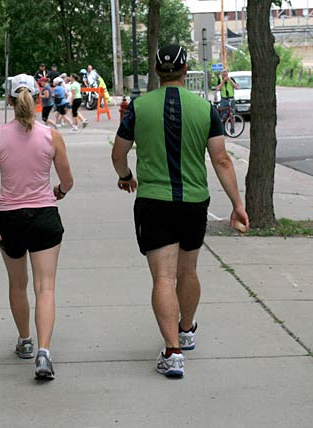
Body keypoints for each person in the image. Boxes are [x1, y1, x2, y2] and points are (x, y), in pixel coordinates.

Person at [111, 45, 249, 378]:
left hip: (154, 201)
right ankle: (186, 330)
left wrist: (126, 176)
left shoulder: (139, 108)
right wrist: (237, 204)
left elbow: (118, 153)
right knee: (187, 272)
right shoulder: (205, 108)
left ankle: (172, 353)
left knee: (163, 277)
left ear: (157, 71)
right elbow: (221, 160)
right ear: (186, 70)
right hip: (194, 202)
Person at [0, 73, 74, 380]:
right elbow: (67, 181)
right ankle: (44, 352)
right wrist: (59, 192)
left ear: (8, 100)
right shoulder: (51, 136)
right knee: (45, 287)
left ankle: (25, 341)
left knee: (17, 284)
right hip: (44, 215)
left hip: (9, 218)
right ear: (37, 99)